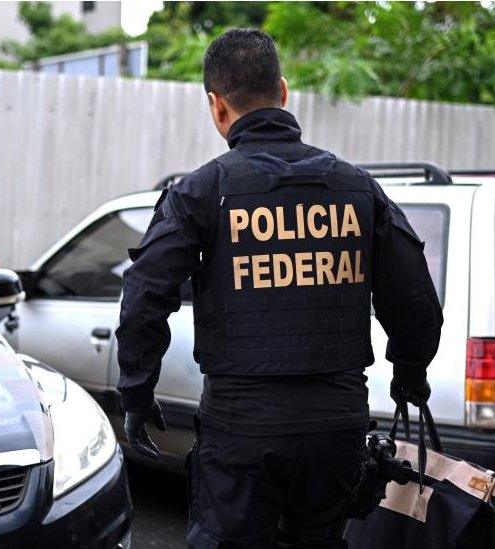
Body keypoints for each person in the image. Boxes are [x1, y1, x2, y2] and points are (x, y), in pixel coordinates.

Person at [116, 28, 443, 549]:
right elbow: (416, 300)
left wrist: (136, 391)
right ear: (284, 92)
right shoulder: (358, 188)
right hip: (336, 431)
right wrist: (410, 373)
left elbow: (143, 296)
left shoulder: (201, 191)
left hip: (241, 431)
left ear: (217, 107)